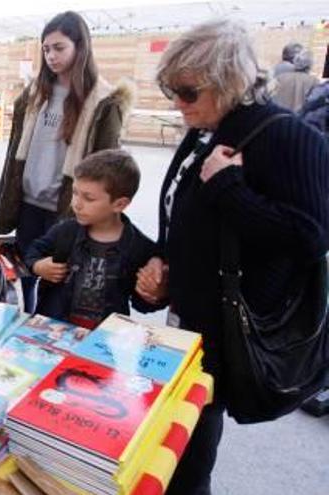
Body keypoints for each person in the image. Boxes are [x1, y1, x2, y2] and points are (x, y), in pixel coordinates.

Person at [135, 20, 329, 494]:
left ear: (229, 83)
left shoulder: (285, 136)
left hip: (228, 327)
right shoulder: (208, 127)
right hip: (191, 315)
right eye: (170, 90)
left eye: (186, 91)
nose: (176, 103)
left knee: (190, 445)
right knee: (171, 439)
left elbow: (310, 237)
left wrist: (229, 188)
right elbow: (185, 213)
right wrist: (164, 260)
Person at [0, 11, 131, 313]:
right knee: (26, 275)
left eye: (59, 48)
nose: (51, 56)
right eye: (46, 49)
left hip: (68, 209)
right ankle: (24, 331)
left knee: (60, 286)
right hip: (29, 204)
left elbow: (109, 167)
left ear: (80, 47)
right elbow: (14, 155)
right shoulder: (34, 94)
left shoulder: (103, 102)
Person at [24, 149, 159, 330]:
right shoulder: (66, 231)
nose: (77, 204)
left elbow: (143, 305)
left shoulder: (140, 248)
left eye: (88, 198)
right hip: (53, 329)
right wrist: (38, 266)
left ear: (120, 204)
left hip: (103, 337)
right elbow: (33, 250)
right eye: (75, 193)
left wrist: (154, 294)